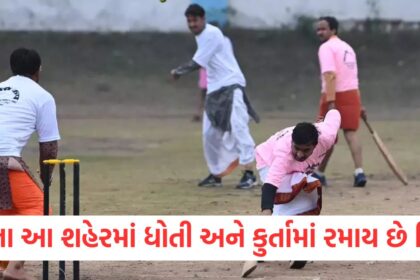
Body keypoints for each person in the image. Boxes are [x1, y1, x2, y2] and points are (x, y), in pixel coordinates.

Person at [242, 109, 341, 277]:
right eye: (297, 148)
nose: (300, 154)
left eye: (306, 150)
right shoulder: (284, 154)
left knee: (309, 195)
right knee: (292, 194)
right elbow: (270, 185)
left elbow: (335, 113)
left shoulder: (327, 136)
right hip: (268, 161)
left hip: (296, 170)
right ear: (292, 143)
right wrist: (266, 212)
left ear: (315, 145)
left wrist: (324, 118)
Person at [170, 4, 259, 189]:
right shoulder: (201, 36)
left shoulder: (212, 33)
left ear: (203, 19)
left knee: (238, 128)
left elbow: (197, 62)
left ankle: (249, 174)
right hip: (214, 90)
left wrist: (178, 71)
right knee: (209, 134)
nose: (192, 24)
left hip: (232, 85)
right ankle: (216, 174)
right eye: (189, 21)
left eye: (195, 20)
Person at [0, 48, 60, 280]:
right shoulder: (42, 96)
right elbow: (49, 146)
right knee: (40, 208)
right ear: (38, 70)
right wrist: (46, 175)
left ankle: (3, 264)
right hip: (5, 160)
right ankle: (15, 268)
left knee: (7, 210)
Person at [313, 16, 367, 187]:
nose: (320, 32)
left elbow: (330, 75)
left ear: (333, 30)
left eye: (323, 28)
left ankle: (319, 174)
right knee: (351, 134)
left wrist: (331, 102)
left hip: (334, 95)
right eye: (318, 29)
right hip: (352, 95)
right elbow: (354, 78)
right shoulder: (348, 48)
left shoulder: (326, 48)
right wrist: (360, 102)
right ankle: (359, 172)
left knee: (326, 136)